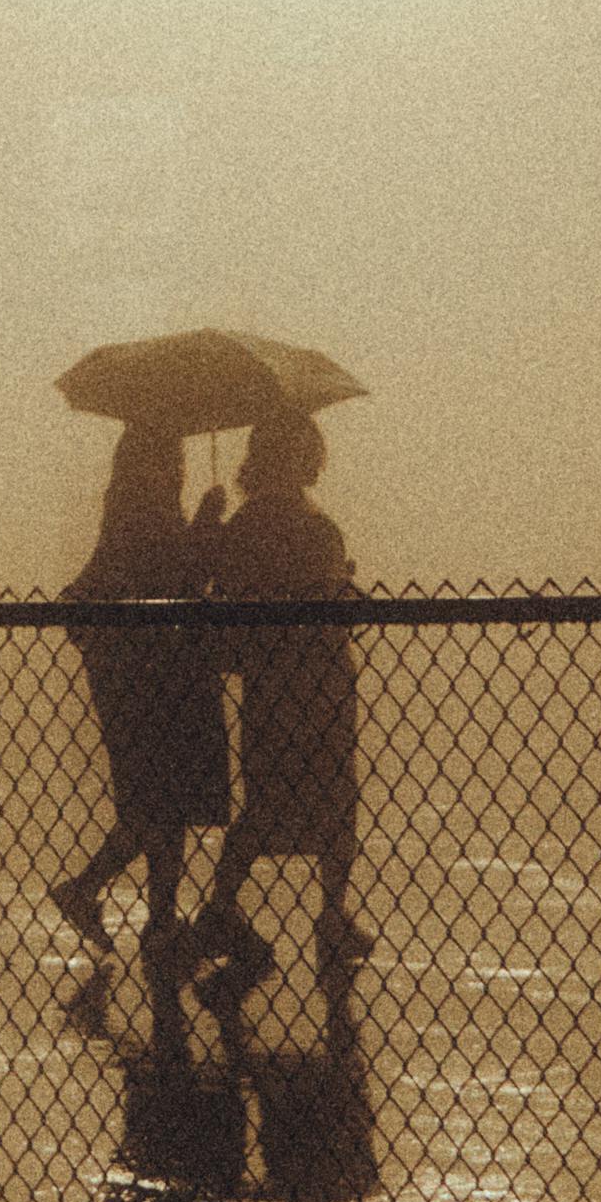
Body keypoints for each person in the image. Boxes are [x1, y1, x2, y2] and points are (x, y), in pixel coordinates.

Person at [184, 401, 364, 987]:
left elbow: (229, 586)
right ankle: (331, 915)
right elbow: (331, 595)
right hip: (320, 678)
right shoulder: (315, 524)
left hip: (270, 679)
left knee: (266, 799)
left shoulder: (247, 524)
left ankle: (222, 904)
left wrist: (211, 524)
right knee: (335, 799)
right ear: (305, 457)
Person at [49, 419, 227, 959]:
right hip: (153, 678)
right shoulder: (147, 518)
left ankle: (151, 912)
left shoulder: (126, 516)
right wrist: (206, 526)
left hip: (138, 676)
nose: (179, 467)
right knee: (161, 803)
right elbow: (175, 578)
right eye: (172, 457)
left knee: (157, 804)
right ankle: (135, 907)